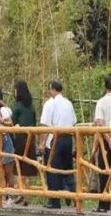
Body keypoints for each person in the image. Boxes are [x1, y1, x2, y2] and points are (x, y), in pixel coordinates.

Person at [40, 79, 76, 209]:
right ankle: (73, 194)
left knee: (53, 170)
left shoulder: (50, 104)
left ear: (53, 89)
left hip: (56, 139)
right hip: (68, 138)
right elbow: (73, 122)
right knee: (67, 169)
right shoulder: (68, 103)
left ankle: (55, 201)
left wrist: (42, 143)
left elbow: (45, 125)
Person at [11, 80, 38, 190]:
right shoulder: (31, 106)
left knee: (18, 166)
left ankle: (21, 192)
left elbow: (13, 121)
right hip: (31, 138)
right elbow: (34, 121)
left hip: (20, 138)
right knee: (27, 166)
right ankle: (26, 194)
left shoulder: (17, 106)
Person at [94, 74, 111, 212]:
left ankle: (104, 204)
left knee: (104, 171)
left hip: (106, 142)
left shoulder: (101, 102)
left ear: (105, 87)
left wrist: (108, 139)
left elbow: (100, 122)